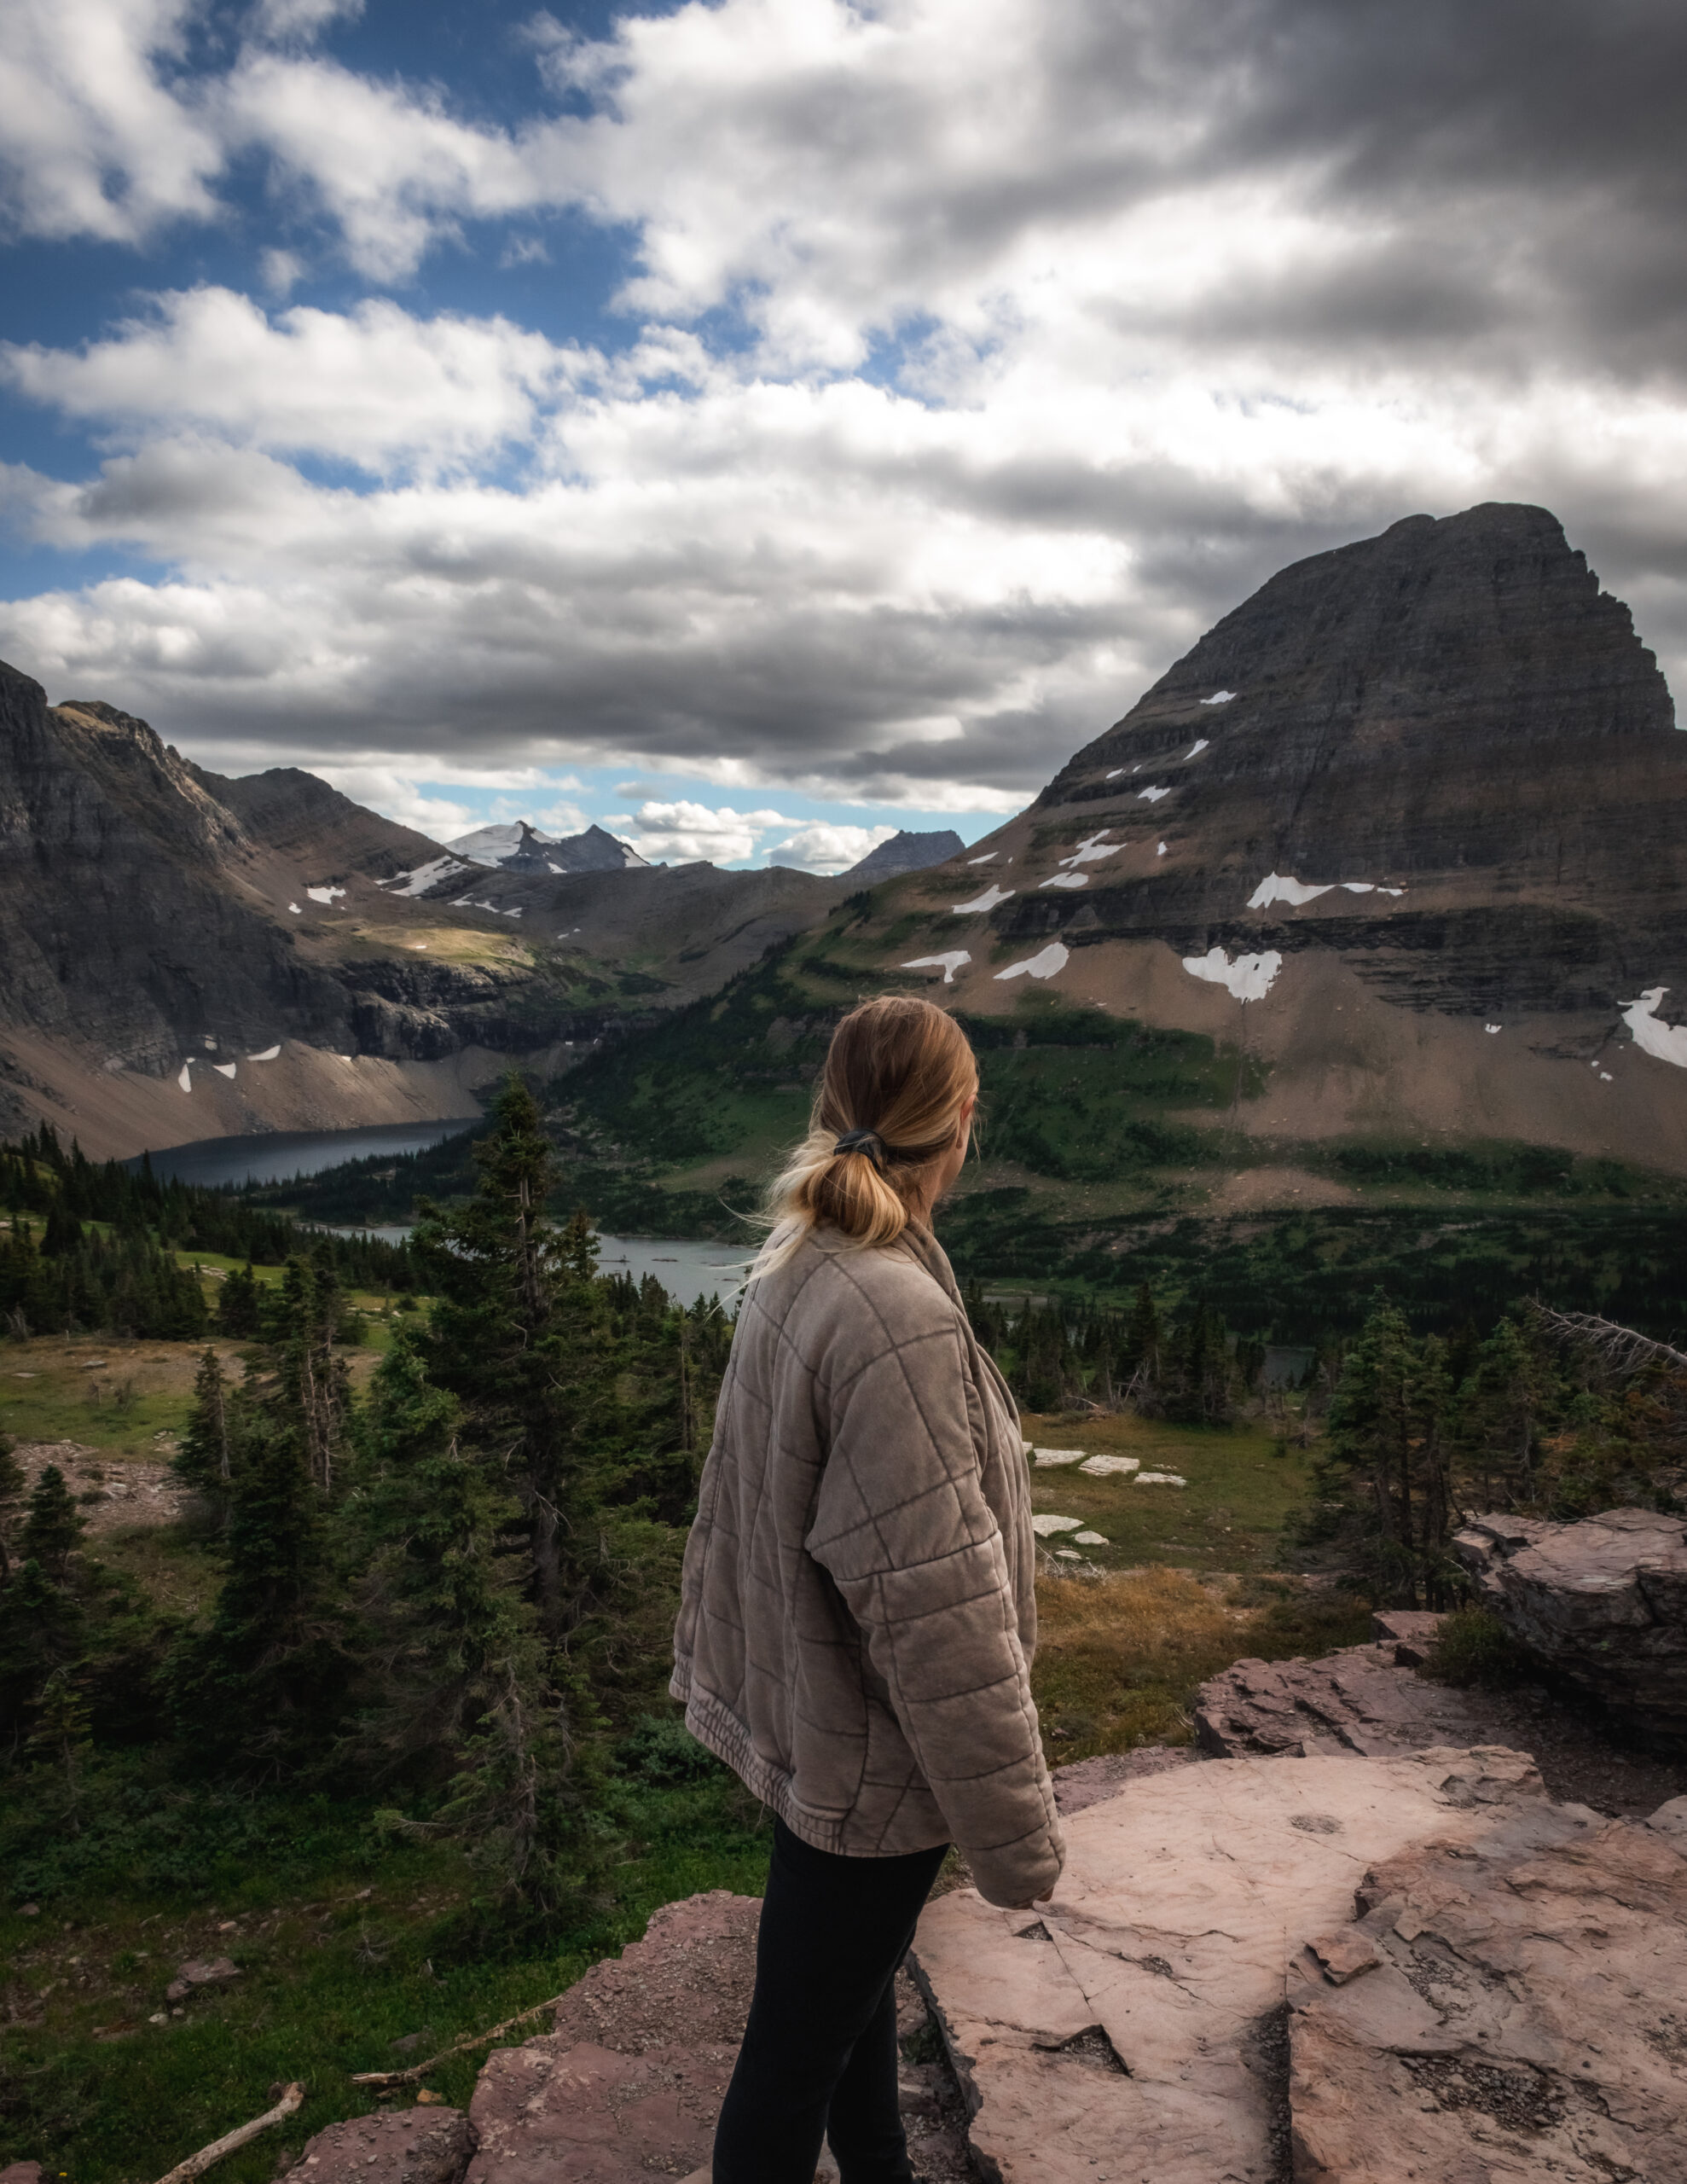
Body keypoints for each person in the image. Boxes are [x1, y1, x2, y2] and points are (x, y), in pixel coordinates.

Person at [672, 994, 1064, 2184]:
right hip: (869, 1764)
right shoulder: (894, 1315)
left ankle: (882, 2168)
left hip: (812, 1720)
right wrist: (1017, 1841)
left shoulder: (809, 1258)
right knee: (788, 2061)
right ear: (957, 1117)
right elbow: (934, 1611)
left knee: (845, 2006)